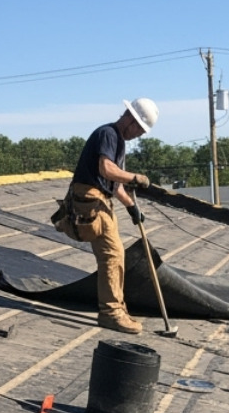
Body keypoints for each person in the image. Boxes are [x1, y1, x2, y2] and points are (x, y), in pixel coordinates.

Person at [63, 98, 160, 334]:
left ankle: (117, 307)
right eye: (138, 128)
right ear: (129, 117)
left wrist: (130, 206)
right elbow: (106, 169)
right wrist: (135, 177)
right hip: (90, 199)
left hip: (101, 199)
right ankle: (111, 313)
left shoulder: (119, 143)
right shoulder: (108, 134)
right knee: (112, 255)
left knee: (117, 255)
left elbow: (115, 184)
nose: (138, 134)